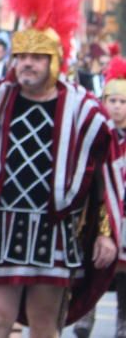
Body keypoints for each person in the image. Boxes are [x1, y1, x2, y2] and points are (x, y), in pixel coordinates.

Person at [0, 0, 121, 337]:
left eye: (38, 56)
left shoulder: (84, 111)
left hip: (53, 230)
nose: (28, 64)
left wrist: (105, 231)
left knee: (44, 325)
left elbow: (105, 176)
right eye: (22, 56)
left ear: (55, 61)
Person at [74, 55, 126, 338]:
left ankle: (122, 325)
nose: (117, 107)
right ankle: (84, 319)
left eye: (123, 102)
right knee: (91, 271)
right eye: (112, 101)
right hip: (96, 215)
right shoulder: (96, 136)